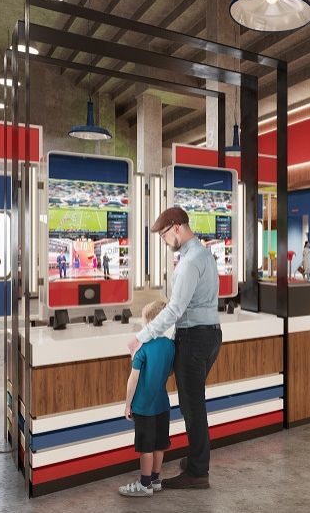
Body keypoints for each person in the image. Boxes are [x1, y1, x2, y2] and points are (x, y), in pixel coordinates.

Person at [129, 207, 220, 490]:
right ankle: (196, 458)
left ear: (177, 228)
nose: (165, 241)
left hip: (193, 338)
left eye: (165, 235)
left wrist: (141, 336)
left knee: (192, 407)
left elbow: (174, 310)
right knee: (195, 403)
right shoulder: (204, 253)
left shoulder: (190, 262)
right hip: (211, 335)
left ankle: (197, 471)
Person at [118, 300, 176, 498]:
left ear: (151, 323)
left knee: (146, 448)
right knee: (160, 444)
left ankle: (144, 484)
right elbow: (169, 372)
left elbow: (133, 380)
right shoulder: (170, 345)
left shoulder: (141, 349)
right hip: (162, 404)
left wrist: (127, 404)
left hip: (143, 406)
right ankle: (155, 479)